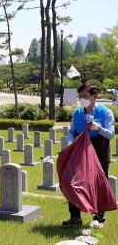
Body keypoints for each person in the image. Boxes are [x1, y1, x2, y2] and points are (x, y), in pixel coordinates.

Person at [63, 83, 115, 226]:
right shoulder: (77, 113)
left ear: (95, 96)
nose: (82, 99)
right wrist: (69, 142)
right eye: (80, 96)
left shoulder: (106, 112)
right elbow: (72, 131)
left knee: (99, 185)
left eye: (85, 96)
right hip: (80, 153)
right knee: (74, 182)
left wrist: (98, 128)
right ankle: (75, 217)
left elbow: (111, 134)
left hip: (100, 153)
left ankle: (98, 219)